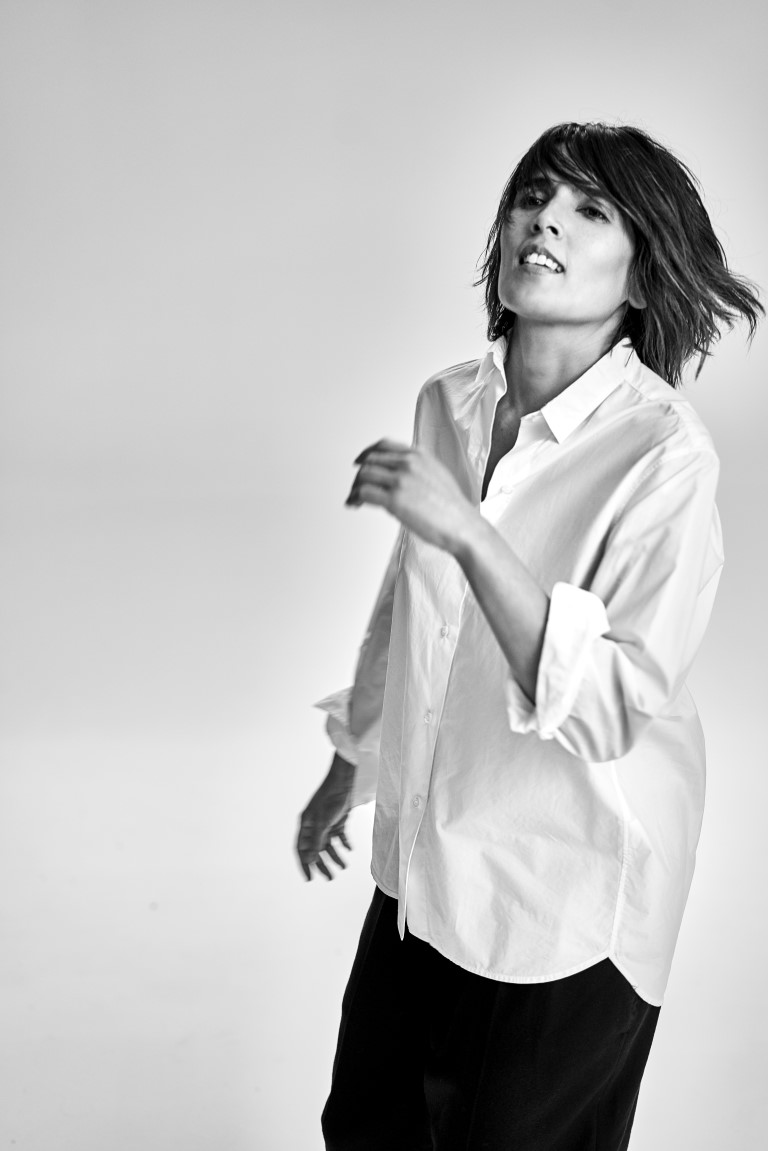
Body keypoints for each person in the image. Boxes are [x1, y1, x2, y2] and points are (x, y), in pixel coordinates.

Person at [295, 121, 763, 1151]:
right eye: (531, 196)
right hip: (426, 870)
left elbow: (607, 709)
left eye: (590, 209)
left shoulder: (665, 456)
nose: (544, 219)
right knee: (364, 1128)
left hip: (569, 903)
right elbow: (411, 600)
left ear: (643, 273)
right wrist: (350, 760)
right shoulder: (450, 402)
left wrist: (469, 532)